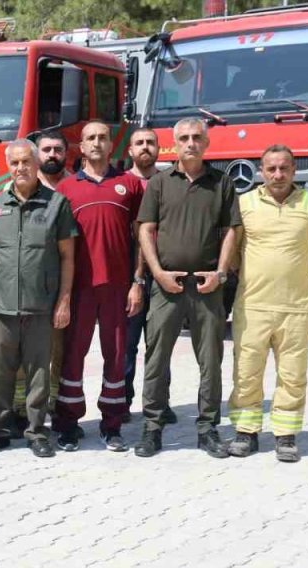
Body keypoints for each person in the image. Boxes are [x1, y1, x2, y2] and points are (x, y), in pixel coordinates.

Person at [135, 117, 240, 458]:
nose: (191, 143)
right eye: (184, 138)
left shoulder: (222, 183)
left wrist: (221, 274)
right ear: (174, 143)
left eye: (197, 137)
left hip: (207, 287)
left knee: (210, 360)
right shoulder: (161, 183)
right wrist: (157, 273)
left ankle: (207, 428)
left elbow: (230, 232)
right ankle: (152, 427)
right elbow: (145, 230)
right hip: (166, 287)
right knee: (156, 358)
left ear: (206, 143)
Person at [0, 139, 77, 458]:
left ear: (36, 165)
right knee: (1, 369)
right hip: (0, 303)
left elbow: (67, 257)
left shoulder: (56, 204)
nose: (21, 168)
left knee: (37, 370)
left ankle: (35, 430)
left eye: (26, 162)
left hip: (40, 304)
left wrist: (63, 301)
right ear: (9, 166)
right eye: (15, 163)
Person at [225, 145, 308, 462]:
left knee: (293, 375)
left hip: (295, 307)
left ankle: (285, 436)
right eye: (271, 169)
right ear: (261, 171)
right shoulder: (245, 204)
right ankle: (246, 432)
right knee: (246, 372)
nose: (278, 175)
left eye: (284, 168)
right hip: (253, 305)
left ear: (294, 170)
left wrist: (293, 277)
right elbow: (234, 253)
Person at [51, 121, 146, 453]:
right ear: (81, 145)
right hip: (79, 287)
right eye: (90, 137)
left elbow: (141, 239)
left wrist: (137, 282)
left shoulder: (130, 185)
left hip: (118, 286)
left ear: (111, 144)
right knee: (73, 355)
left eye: (102, 137)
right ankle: (68, 424)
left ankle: (112, 424)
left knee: (116, 356)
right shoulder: (66, 188)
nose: (96, 143)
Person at [122, 127, 176, 425]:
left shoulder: (170, 183)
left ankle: (158, 402)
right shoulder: (122, 184)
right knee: (127, 344)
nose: (145, 147)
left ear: (159, 148)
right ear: (130, 150)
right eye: (139, 143)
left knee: (160, 344)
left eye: (150, 143)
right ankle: (124, 402)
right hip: (129, 276)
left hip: (163, 275)